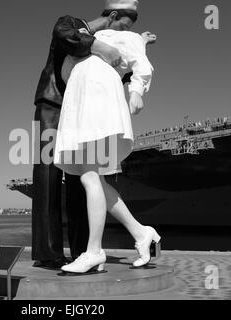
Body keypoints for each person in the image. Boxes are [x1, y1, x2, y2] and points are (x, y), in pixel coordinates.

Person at [32, 0, 142, 271]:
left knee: (82, 176)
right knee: (47, 174)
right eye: (123, 27)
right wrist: (102, 46)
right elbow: (66, 36)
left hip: (80, 109)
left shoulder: (104, 42)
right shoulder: (70, 23)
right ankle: (49, 253)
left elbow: (106, 72)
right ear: (113, 16)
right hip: (52, 104)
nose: (122, 34)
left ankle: (84, 250)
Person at [53, 0, 161, 274]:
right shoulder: (92, 38)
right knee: (95, 179)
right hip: (81, 97)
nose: (128, 28)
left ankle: (94, 251)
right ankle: (141, 232)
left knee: (89, 176)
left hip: (96, 94)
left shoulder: (124, 37)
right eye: (127, 22)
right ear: (114, 15)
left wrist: (136, 91)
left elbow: (141, 65)